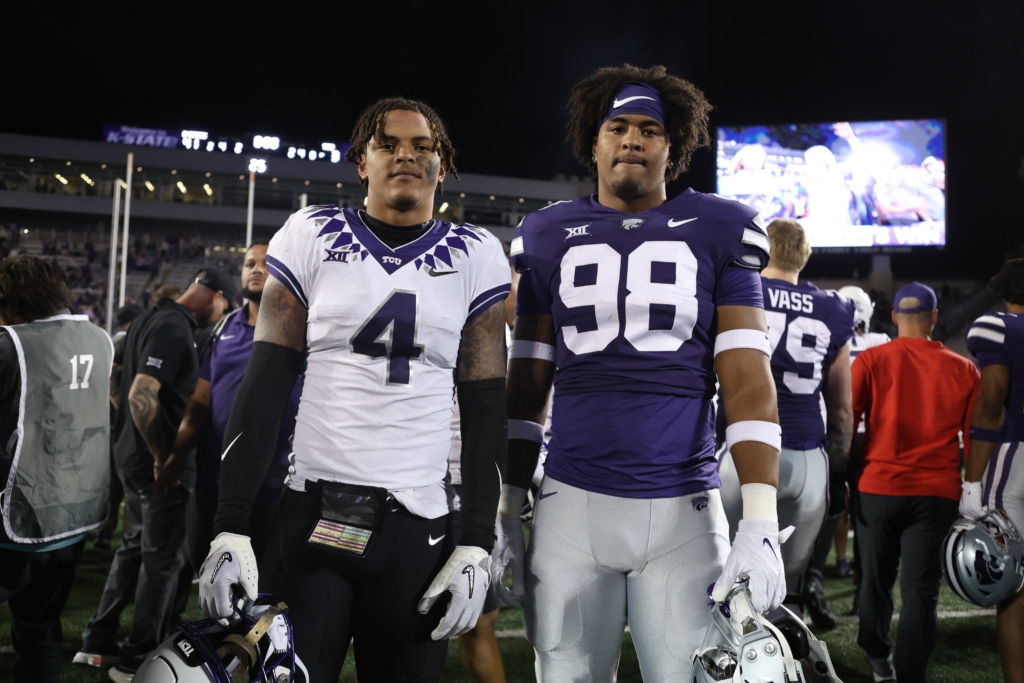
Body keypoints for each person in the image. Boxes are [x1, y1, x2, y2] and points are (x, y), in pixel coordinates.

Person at [197, 98, 511, 683]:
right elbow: (266, 382)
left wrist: (476, 542)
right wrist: (231, 521)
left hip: (418, 521)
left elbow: (485, 404)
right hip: (314, 509)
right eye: (388, 144)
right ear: (361, 161)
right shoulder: (311, 233)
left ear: (443, 165)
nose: (406, 156)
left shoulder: (475, 253)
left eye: (423, 146)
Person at [490, 65, 783, 682]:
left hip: (683, 510)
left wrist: (758, 518)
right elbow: (527, 383)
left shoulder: (722, 227)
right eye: (617, 126)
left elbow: (747, 377)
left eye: (649, 129)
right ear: (592, 142)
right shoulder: (546, 234)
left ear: (671, 146)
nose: (632, 139)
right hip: (571, 505)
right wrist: (506, 505)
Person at [75, 270, 235, 682]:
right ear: (216, 296)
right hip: (155, 460)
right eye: (224, 308)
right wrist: (164, 454)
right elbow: (139, 391)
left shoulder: (149, 316)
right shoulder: (175, 326)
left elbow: (118, 377)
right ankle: (138, 656)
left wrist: (131, 430)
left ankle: (97, 638)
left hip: (130, 452)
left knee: (133, 546)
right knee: (162, 560)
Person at [718, 218, 854, 624]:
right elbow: (842, 409)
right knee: (783, 584)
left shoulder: (741, 291)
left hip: (740, 452)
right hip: (808, 458)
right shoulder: (833, 308)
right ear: (804, 256)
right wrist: (839, 469)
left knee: (725, 572)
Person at [852, 281, 979, 683]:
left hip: (878, 486)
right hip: (937, 492)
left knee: (874, 582)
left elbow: (846, 422)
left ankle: (876, 656)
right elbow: (974, 440)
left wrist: (842, 475)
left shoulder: (870, 360)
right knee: (920, 594)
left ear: (893, 316)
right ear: (935, 318)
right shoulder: (963, 368)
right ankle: (910, 676)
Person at [0, 255, 114, 683]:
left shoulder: (11, 343)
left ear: (13, 300)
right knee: (39, 635)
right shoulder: (101, 338)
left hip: (19, 516)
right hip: (75, 515)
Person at [171, 242, 300, 571]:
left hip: (279, 484)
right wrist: (176, 454)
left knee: (268, 587)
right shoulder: (222, 328)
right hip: (216, 479)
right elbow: (201, 401)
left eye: (267, 263)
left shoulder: (306, 330)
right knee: (211, 579)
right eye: (249, 263)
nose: (256, 269)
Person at [446, 246, 518, 683]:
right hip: (432, 480)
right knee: (396, 623)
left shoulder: (516, 333)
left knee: (479, 618)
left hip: (475, 487)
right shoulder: (466, 318)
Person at [961, 258, 1024, 683]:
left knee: (1013, 584)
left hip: (1015, 456)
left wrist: (972, 482)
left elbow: (992, 401)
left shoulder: (996, 325)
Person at [96, 303, 146, 551]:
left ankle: (106, 529)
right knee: (130, 482)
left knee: (114, 479)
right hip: (127, 420)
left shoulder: (113, 340)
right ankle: (130, 538)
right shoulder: (130, 341)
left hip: (112, 421)